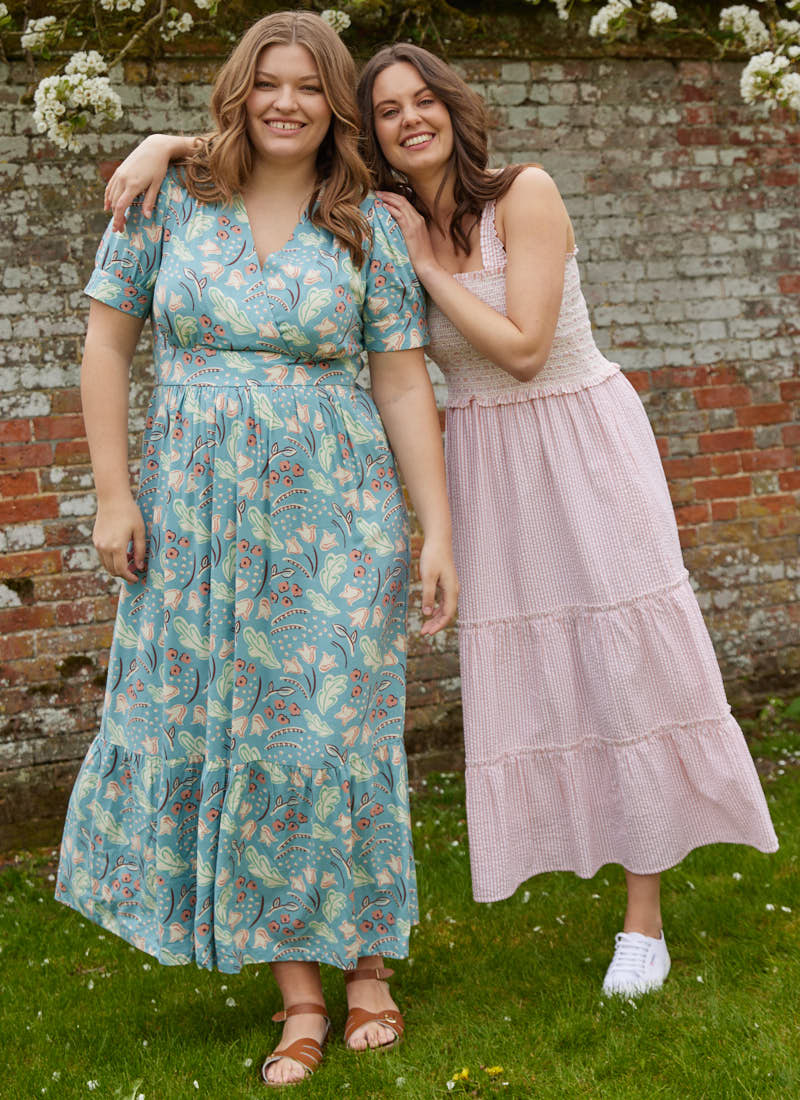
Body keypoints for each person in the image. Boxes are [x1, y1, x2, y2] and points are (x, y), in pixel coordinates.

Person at [103, 41, 777, 1002]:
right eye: (387, 110)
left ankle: (643, 921)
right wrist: (165, 145)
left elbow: (526, 351)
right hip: (485, 460)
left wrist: (425, 261)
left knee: (623, 663)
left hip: (580, 446)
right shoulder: (374, 215)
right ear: (367, 131)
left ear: (455, 109)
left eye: (424, 101)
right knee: (531, 670)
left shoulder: (523, 196)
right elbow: (271, 144)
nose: (409, 119)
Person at [55, 15, 457, 1088]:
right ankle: (301, 991)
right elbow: (106, 343)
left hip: (337, 511)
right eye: (268, 83)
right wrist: (112, 495)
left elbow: (401, 379)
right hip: (194, 515)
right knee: (241, 730)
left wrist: (437, 528)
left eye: (310, 87)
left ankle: (366, 959)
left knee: (335, 730)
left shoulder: (368, 225)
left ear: (335, 104)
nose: (287, 103)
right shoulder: (166, 199)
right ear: (239, 92)